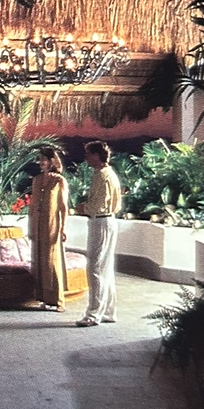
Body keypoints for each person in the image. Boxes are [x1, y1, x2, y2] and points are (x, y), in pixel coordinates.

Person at [76, 139, 122, 326]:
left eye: (88, 154)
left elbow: (97, 204)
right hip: (106, 221)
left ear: (96, 155)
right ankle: (108, 311)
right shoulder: (107, 174)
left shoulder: (102, 176)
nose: (86, 157)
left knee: (95, 268)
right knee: (105, 268)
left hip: (101, 221)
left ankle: (93, 314)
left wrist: (83, 208)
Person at [28, 146, 69, 311]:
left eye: (44, 159)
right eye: (40, 159)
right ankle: (43, 298)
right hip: (38, 224)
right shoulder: (36, 180)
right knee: (39, 260)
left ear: (51, 161)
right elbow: (32, 206)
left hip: (52, 224)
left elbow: (63, 206)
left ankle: (58, 300)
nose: (41, 162)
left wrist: (63, 228)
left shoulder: (59, 181)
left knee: (52, 259)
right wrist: (31, 226)